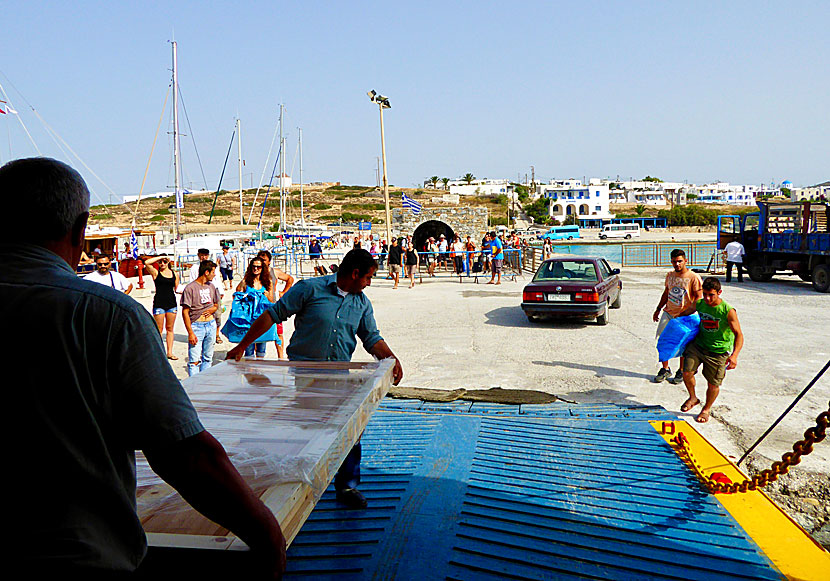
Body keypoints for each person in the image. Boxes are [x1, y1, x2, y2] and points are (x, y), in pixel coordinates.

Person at [1, 158, 285, 576]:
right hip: (75, 557)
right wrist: (268, 537)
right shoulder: (104, 315)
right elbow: (185, 454)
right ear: (80, 230)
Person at [226, 248, 403, 509]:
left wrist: (391, 359)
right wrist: (242, 346)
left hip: (339, 378)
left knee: (350, 432)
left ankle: (346, 487)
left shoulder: (361, 303)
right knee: (301, 430)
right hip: (304, 377)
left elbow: (371, 338)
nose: (369, 283)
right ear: (354, 274)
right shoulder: (309, 289)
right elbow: (272, 316)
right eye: (368, 277)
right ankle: (291, 484)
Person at [676, 277, 744, 423]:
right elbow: (685, 312)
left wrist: (735, 355)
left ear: (719, 292)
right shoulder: (700, 303)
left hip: (718, 352)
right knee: (686, 373)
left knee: (713, 384)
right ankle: (693, 398)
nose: (707, 298)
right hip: (698, 345)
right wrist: (674, 323)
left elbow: (739, 334)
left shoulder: (728, 311)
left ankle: (706, 409)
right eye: (705, 294)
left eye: (711, 295)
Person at [652, 249, 703, 384]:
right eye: (674, 261)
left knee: (682, 343)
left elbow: (699, 298)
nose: (677, 264)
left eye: (680, 261)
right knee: (663, 340)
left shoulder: (693, 277)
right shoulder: (670, 275)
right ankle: (665, 368)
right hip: (668, 313)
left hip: (685, 316)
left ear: (685, 261)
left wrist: (687, 313)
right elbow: (666, 293)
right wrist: (658, 309)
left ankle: (681, 370)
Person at [181, 260, 221, 376]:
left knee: (208, 358)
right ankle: (194, 388)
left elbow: (216, 305)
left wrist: (212, 310)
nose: (214, 275)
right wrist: (190, 332)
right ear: (206, 272)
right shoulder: (190, 288)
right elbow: (185, 312)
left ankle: (204, 384)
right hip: (197, 326)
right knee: (194, 360)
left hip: (211, 325)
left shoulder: (212, 287)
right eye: (213, 272)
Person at [256, 249, 294, 359]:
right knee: (257, 332)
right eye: (260, 259)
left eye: (264, 260)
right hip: (258, 306)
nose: (262, 262)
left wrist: (283, 292)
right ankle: (258, 357)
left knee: (278, 333)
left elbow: (290, 279)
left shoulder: (274, 271)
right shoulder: (255, 272)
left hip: (272, 305)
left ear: (269, 262)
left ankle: (280, 357)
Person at [236, 257, 276, 358]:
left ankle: (258, 372)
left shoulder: (268, 282)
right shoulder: (246, 281)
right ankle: (249, 373)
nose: (256, 269)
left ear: (262, 268)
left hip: (262, 318)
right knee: (249, 350)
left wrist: (266, 295)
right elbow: (237, 294)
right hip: (248, 319)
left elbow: (271, 300)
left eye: (258, 267)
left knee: (261, 348)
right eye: (253, 266)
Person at [145, 254, 179, 360]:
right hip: (159, 303)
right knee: (159, 330)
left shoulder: (175, 274)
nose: (162, 264)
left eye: (165, 262)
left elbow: (176, 288)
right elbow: (147, 263)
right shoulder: (156, 273)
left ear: (168, 262)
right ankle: (159, 352)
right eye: (160, 262)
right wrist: (160, 257)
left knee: (170, 329)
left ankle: (169, 352)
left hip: (171, 303)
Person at [190, 248, 225, 344]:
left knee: (217, 314)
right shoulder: (194, 267)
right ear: (198, 255)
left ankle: (216, 334)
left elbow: (217, 279)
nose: (203, 257)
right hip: (200, 292)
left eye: (205, 255)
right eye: (201, 255)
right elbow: (192, 281)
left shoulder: (213, 267)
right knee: (202, 312)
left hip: (214, 291)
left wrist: (221, 292)